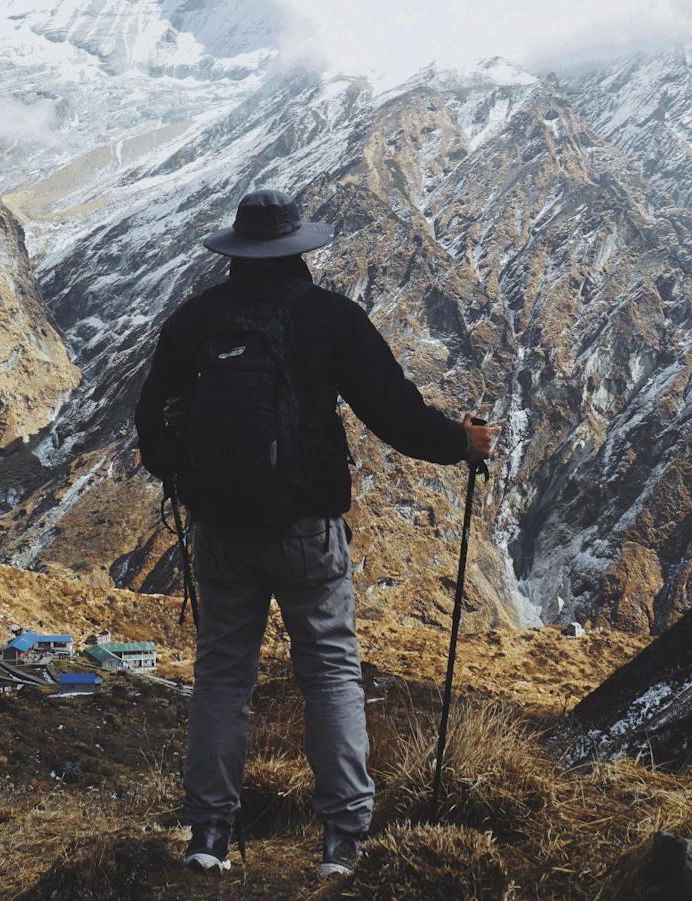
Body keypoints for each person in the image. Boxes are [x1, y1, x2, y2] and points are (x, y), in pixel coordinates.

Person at [135, 188, 495, 879]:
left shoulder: (196, 320)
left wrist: (187, 481)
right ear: (298, 248)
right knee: (329, 670)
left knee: (221, 677)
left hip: (220, 530)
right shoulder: (329, 318)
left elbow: (151, 423)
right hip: (306, 528)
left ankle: (209, 834)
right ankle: (341, 840)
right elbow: (394, 411)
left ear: (237, 251)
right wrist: (462, 443)